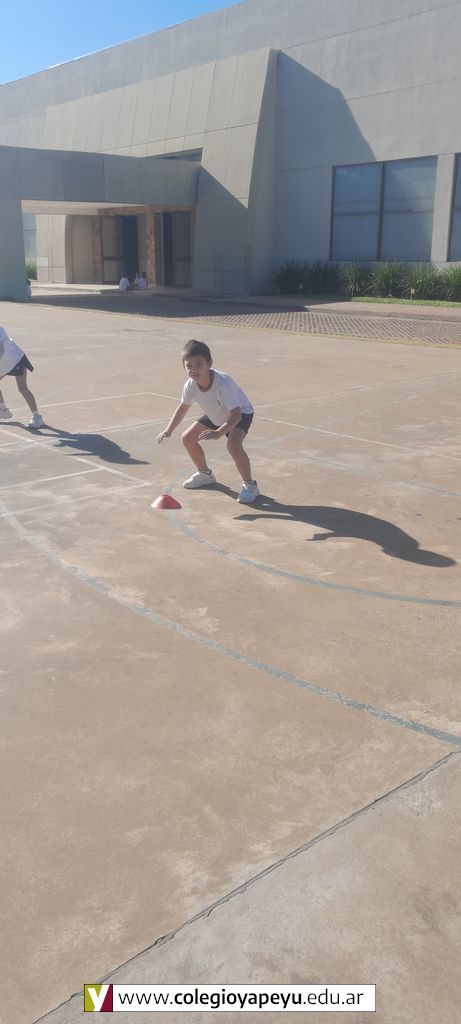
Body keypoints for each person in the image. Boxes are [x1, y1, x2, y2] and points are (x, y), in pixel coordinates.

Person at [155, 339, 259, 503]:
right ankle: (205, 474)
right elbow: (182, 409)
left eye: (199, 364)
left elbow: (236, 415)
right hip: (216, 414)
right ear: (183, 366)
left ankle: (250, 486)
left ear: (209, 363)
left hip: (240, 413)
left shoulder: (224, 384)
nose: (194, 369)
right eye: (189, 366)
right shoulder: (190, 385)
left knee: (233, 445)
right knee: (188, 438)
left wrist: (218, 432)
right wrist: (169, 429)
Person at [0, 325, 44, 428]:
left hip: (16, 359)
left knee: (22, 388)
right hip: (4, 363)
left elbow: (1, 350)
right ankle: (3, 410)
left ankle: (37, 417)